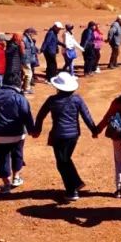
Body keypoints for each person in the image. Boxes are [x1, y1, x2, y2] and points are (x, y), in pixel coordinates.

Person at [33, 73, 98, 202]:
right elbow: (86, 115)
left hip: (58, 135)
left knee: (62, 163)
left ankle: (72, 190)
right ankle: (76, 183)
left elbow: (40, 115)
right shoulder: (77, 99)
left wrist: (37, 130)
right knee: (65, 160)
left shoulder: (52, 100)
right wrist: (93, 130)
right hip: (73, 135)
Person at [0, 81, 35, 192]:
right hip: (16, 134)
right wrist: (32, 130)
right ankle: (16, 177)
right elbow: (26, 115)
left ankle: (6, 183)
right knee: (17, 154)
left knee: (1, 158)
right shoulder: (20, 98)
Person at [21, 28, 39, 94]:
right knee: (29, 74)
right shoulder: (24, 39)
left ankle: (25, 86)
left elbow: (31, 47)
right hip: (25, 60)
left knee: (27, 74)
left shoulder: (28, 38)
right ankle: (26, 89)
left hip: (28, 59)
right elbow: (22, 50)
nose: (34, 35)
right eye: (33, 34)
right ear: (30, 33)